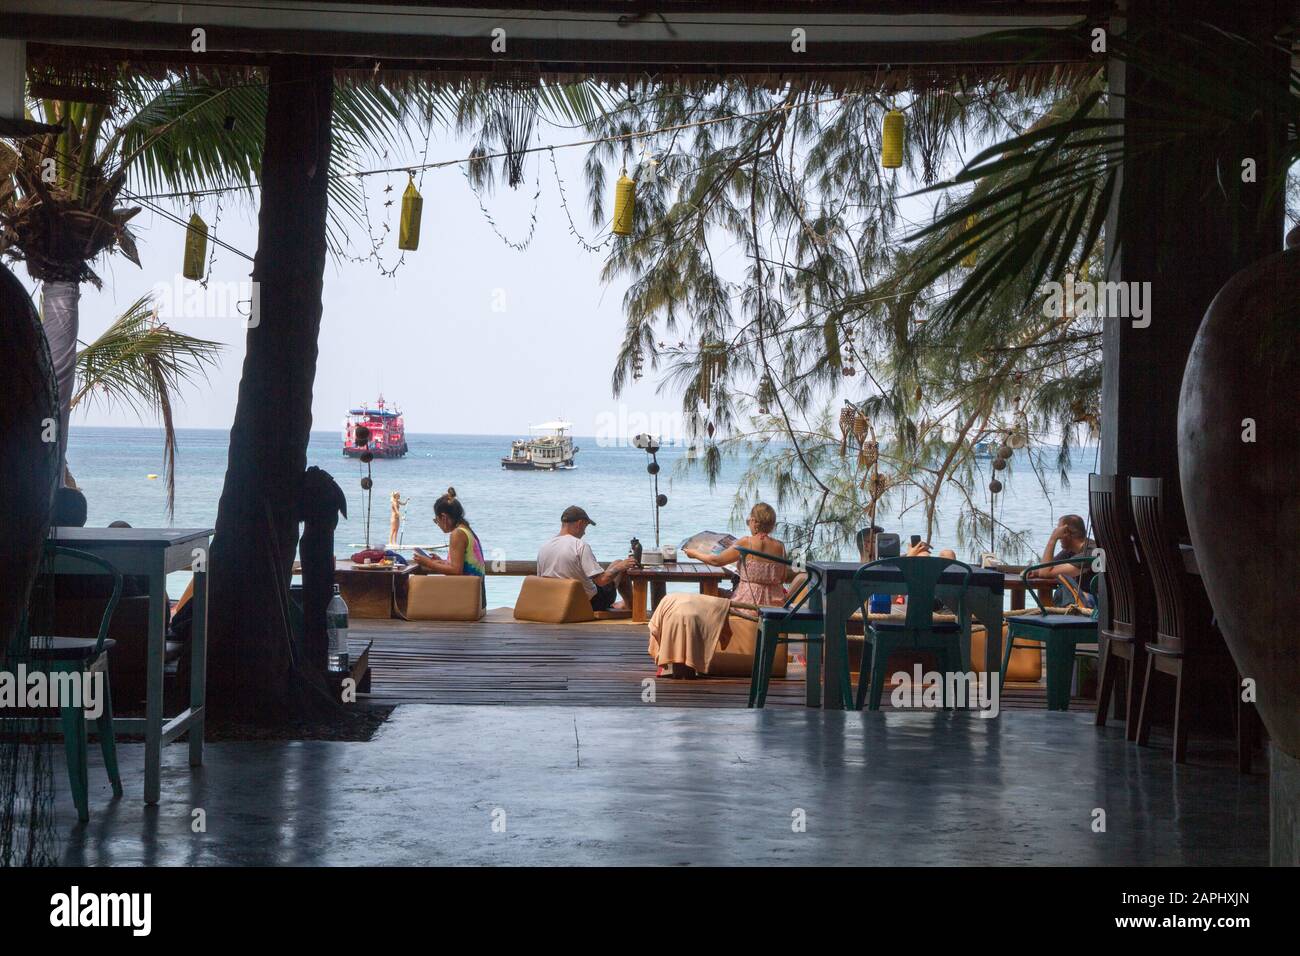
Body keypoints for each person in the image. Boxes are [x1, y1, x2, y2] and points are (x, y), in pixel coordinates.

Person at [683, 502, 789, 607]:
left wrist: (694, 554)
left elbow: (716, 561)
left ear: (753, 521)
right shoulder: (780, 546)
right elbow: (783, 577)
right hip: (775, 606)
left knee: (711, 594)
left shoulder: (746, 542)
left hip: (747, 604)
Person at [536, 505, 634, 612]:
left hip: (555, 601)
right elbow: (601, 581)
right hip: (587, 602)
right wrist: (621, 567)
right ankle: (632, 609)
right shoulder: (580, 546)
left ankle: (624, 604)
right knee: (620, 566)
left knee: (617, 562)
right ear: (579, 524)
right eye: (585, 527)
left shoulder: (544, 547)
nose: (584, 532)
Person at [412, 487, 486, 579]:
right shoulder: (466, 530)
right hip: (474, 589)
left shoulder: (457, 534)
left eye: (436, 520)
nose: (438, 524)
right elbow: (461, 566)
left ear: (443, 517)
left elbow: (456, 571)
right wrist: (442, 562)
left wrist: (428, 563)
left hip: (466, 591)